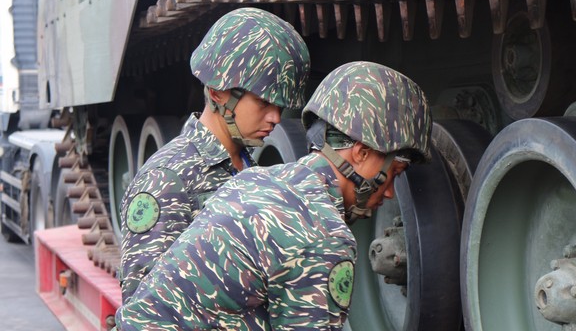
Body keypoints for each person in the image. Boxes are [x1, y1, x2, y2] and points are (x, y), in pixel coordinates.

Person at [114, 61, 432, 330]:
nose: (389, 192)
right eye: (395, 172)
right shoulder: (323, 234)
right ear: (361, 153)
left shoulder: (256, 179)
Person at [118, 7, 311, 303]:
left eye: (281, 106)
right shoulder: (167, 180)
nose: (275, 117)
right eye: (263, 102)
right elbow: (143, 306)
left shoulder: (248, 166)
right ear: (219, 92)